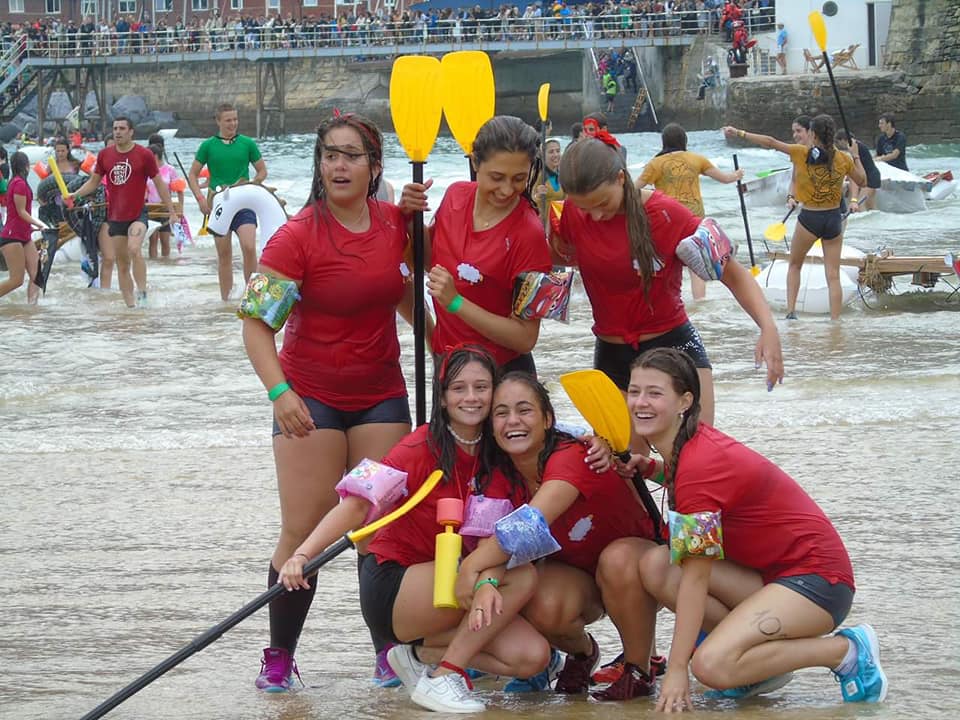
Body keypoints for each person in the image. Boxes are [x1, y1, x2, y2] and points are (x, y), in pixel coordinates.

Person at [596, 347, 887, 711]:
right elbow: (702, 495)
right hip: (771, 577)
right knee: (657, 565)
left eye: (655, 393)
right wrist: (653, 469)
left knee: (710, 666)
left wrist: (677, 669)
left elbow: (696, 578)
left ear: (685, 401)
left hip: (817, 584)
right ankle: (754, 668)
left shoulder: (699, 467)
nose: (640, 402)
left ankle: (844, 651)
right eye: (635, 391)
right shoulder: (688, 447)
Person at [278, 346, 555, 713]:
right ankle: (445, 676)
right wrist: (302, 554)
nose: (471, 398)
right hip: (396, 586)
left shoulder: (503, 450)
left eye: (481, 387)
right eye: (458, 388)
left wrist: (600, 446)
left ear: (495, 392)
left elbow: (560, 441)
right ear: (442, 398)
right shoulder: (417, 447)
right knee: (521, 577)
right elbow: (357, 503)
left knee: (532, 657)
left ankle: (415, 656)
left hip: (459, 582)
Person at [241, 113, 416, 694]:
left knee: (379, 527)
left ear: (374, 166)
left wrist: (447, 347)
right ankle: (280, 657)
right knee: (303, 530)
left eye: (350, 155)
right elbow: (255, 327)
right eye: (329, 155)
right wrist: (279, 392)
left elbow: (403, 296)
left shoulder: (395, 224)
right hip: (309, 398)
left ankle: (388, 650)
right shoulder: (295, 237)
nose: (338, 166)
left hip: (381, 395)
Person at [554, 134, 783, 433]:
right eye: (585, 208)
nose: (595, 215)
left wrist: (768, 328)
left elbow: (733, 274)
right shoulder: (572, 214)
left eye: (602, 203)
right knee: (623, 459)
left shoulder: (667, 214)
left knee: (694, 454)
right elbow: (557, 258)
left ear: (621, 178)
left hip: (674, 348)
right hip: (612, 354)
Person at [457, 372, 662, 700]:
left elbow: (529, 525)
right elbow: (491, 541)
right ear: (490, 426)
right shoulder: (498, 473)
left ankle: (639, 669)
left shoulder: (574, 455)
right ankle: (583, 654)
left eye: (524, 410)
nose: (513, 421)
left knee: (617, 558)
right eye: (501, 413)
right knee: (541, 600)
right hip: (579, 577)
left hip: (643, 569)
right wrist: (485, 581)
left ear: (548, 419)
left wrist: (469, 569)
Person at [398, 115, 552, 375]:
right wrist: (410, 217)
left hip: (502, 375)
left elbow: (526, 338)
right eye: (497, 177)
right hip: (450, 367)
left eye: (519, 178)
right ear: (475, 162)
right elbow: (432, 264)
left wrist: (456, 303)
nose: (507, 190)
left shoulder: (530, 234)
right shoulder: (455, 195)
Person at [724, 115, 867, 321]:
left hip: (810, 218)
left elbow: (770, 142)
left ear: (812, 134)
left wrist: (740, 133)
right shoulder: (844, 159)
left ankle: (791, 313)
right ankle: (835, 321)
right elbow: (862, 181)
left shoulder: (801, 153)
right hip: (833, 218)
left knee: (794, 265)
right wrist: (856, 156)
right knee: (833, 275)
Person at [71, 117, 179, 308]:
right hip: (115, 217)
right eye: (115, 128)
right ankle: (131, 307)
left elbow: (159, 183)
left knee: (134, 249)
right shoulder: (105, 155)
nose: (118, 132)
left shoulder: (144, 154)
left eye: (122, 128)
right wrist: (75, 195)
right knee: (122, 264)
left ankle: (142, 293)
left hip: (137, 214)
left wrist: (172, 211)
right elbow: (94, 182)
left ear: (131, 132)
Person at [638, 123, 745, 300]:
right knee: (696, 265)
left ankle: (669, 301)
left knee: (667, 263)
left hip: (666, 220)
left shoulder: (655, 164)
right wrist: (737, 174)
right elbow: (725, 178)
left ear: (664, 142)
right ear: (684, 141)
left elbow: (634, 190)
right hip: (693, 219)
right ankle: (699, 304)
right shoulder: (697, 159)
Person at [188, 102, 267, 300]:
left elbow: (262, 171)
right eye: (228, 120)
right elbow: (192, 175)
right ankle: (225, 301)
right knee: (224, 255)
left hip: (244, 203)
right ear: (218, 121)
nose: (233, 124)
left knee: (249, 247)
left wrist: (253, 184)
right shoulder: (208, 146)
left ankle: (253, 297)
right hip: (219, 205)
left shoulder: (247, 143)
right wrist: (200, 199)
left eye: (235, 119)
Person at [0, 151, 46, 302]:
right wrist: (40, 224)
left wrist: (31, 227)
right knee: (16, 280)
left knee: (37, 276)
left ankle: (32, 308)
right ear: (26, 166)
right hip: (12, 236)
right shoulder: (19, 183)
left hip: (24, 236)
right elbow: (21, 212)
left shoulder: (17, 182)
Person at [144, 143, 183, 258]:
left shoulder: (170, 169)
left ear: (155, 156)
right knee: (153, 241)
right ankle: (154, 265)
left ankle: (165, 264)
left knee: (165, 241)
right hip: (151, 209)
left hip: (166, 209)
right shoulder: (146, 170)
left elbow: (179, 190)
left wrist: (180, 210)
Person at [837, 129, 881, 212]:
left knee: (860, 204)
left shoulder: (853, 147)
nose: (839, 145)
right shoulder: (857, 145)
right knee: (870, 205)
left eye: (839, 142)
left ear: (843, 140)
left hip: (870, 178)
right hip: (873, 175)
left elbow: (855, 166)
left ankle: (864, 220)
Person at [534, 137, 564, 217]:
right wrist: (538, 195)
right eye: (551, 152)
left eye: (558, 151)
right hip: (543, 220)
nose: (556, 155)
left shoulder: (563, 174)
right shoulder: (538, 175)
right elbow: (530, 200)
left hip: (559, 220)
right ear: (543, 155)